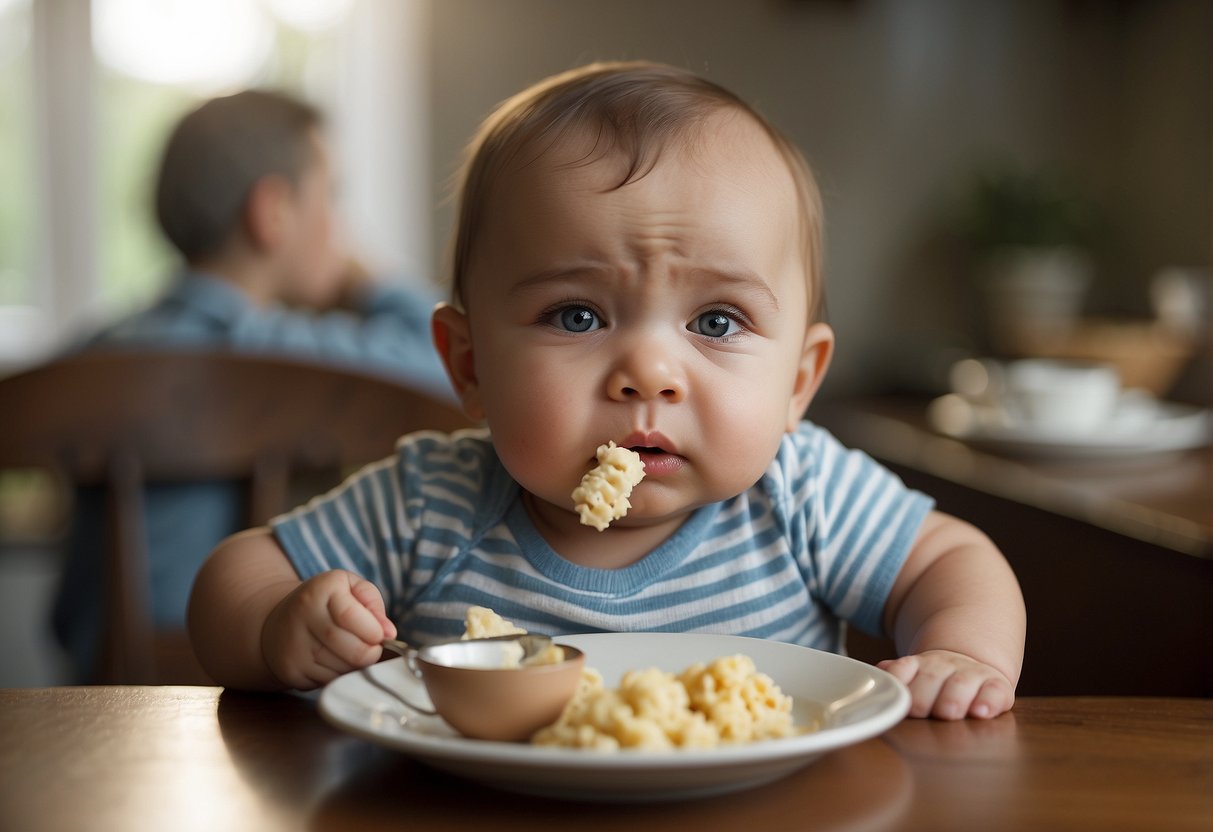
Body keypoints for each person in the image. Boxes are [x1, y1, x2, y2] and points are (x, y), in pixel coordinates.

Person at [189, 62, 1026, 720]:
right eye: (578, 315)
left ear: (797, 384)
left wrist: (960, 655)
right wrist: (277, 627)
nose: (649, 374)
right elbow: (235, 574)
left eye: (718, 322)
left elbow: (951, 560)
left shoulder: (800, 493)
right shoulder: (430, 504)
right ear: (470, 366)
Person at [52, 89, 452, 680]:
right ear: (272, 212)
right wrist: (363, 276)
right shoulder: (283, 353)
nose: (338, 228)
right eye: (331, 197)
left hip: (90, 675)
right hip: (239, 671)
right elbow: (448, 356)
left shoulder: (97, 350)